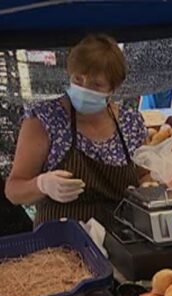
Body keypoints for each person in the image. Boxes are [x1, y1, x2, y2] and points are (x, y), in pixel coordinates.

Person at [6, 34, 147, 225]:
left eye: (96, 84)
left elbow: (144, 174)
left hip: (121, 234)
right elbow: (13, 191)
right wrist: (42, 185)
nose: (85, 88)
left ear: (114, 87)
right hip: (61, 236)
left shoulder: (130, 123)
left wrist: (149, 187)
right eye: (78, 80)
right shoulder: (45, 119)